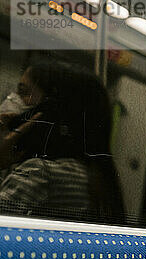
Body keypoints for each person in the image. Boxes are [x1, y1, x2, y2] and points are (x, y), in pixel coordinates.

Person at [0, 60, 124, 222]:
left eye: (23, 92)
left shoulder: (39, 172)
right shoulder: (90, 175)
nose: (13, 99)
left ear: (49, 109)